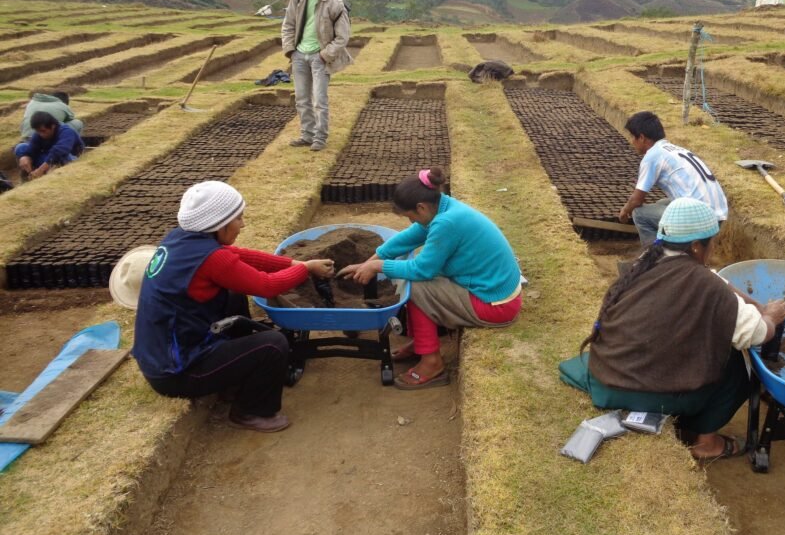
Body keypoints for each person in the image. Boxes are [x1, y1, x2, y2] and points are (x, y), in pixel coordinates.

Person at [562, 198, 785, 462]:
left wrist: (758, 306)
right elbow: (757, 334)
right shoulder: (703, 284)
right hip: (645, 391)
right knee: (740, 364)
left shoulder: (647, 262)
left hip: (608, 375)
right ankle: (708, 442)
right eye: (712, 242)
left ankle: (683, 414)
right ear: (696, 246)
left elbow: (715, 279)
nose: (713, 247)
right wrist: (771, 317)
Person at [123, 181, 335, 432]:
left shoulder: (181, 239)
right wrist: (304, 269)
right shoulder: (211, 258)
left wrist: (293, 263)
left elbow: (240, 256)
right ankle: (250, 411)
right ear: (218, 223)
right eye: (238, 218)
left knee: (233, 294)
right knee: (273, 345)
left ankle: (236, 374)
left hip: (164, 353)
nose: (243, 224)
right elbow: (266, 286)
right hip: (177, 372)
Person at [340, 167, 523, 390]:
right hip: (492, 289)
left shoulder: (447, 223)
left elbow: (422, 270)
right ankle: (422, 343)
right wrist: (368, 262)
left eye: (410, 217)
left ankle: (431, 363)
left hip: (495, 304)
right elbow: (409, 238)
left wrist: (379, 266)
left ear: (421, 207)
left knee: (415, 285)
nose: (410, 222)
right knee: (416, 276)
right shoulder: (443, 207)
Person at [617, 111, 728, 246]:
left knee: (639, 214)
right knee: (663, 203)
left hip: (701, 220)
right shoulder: (674, 149)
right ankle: (671, 246)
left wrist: (624, 211)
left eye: (632, 137)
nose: (631, 142)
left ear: (641, 138)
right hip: (718, 215)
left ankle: (655, 259)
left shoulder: (652, 156)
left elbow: (637, 200)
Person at [280, 0, 353, 152]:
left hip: (319, 58)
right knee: (302, 98)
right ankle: (307, 135)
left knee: (319, 100)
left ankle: (320, 137)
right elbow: (288, 25)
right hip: (299, 55)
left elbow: (342, 37)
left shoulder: (335, 4)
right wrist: (290, 50)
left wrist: (324, 55)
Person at [15, 111, 85, 181]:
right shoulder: (39, 134)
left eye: (43, 131)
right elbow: (32, 148)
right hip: (48, 158)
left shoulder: (67, 132)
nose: (41, 134)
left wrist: (41, 170)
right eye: (38, 131)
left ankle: (51, 174)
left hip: (67, 158)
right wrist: (26, 156)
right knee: (21, 147)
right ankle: (28, 174)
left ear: (53, 126)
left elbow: (59, 151)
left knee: (64, 156)